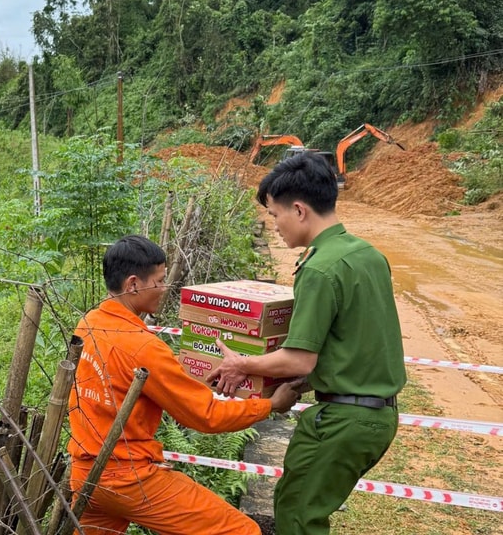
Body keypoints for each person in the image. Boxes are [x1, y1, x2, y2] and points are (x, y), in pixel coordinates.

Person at [209, 153, 406, 535]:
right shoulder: (366, 254)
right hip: (375, 415)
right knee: (300, 506)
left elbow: (299, 359)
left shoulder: (318, 267)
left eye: (274, 214)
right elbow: (352, 340)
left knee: (297, 517)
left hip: (344, 420)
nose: (274, 225)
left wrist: (242, 365)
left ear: (299, 210)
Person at [67, 235, 302, 535]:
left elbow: (123, 378)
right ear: (133, 284)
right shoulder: (143, 347)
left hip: (87, 475)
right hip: (129, 480)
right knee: (241, 530)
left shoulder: (88, 324)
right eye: (160, 281)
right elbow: (207, 415)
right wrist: (270, 405)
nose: (165, 289)